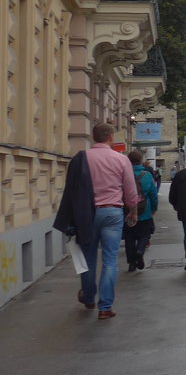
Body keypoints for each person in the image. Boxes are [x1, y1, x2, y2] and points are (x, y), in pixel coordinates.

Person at [53, 122, 138, 320]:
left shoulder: (82, 158)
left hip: (87, 214)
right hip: (112, 213)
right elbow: (130, 191)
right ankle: (105, 307)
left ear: (94, 137)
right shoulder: (120, 159)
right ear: (110, 138)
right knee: (110, 261)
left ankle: (89, 297)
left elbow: (72, 189)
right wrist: (132, 210)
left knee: (89, 258)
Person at [124, 150, 158, 271]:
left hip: (128, 211)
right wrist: (153, 209)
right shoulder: (147, 175)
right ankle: (140, 251)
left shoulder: (124, 174)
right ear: (140, 161)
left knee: (129, 237)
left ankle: (131, 263)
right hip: (144, 210)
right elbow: (153, 194)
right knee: (144, 235)